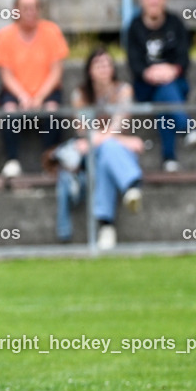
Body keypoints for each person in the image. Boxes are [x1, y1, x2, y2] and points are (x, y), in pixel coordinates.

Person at [50, 48, 144, 250]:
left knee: (106, 156)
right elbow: (83, 129)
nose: (103, 69)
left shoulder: (124, 90)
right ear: (90, 70)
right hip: (98, 152)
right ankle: (131, 185)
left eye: (107, 64)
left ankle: (106, 226)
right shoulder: (80, 94)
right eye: (98, 65)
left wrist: (103, 139)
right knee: (105, 151)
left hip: (115, 153)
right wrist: (125, 141)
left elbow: (118, 123)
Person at [0, 0, 69, 177]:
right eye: (26, 7)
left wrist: (40, 96)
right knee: (9, 109)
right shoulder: (4, 35)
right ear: (16, 10)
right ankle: (12, 161)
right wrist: (23, 96)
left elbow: (56, 70)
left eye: (35, 7)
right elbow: (6, 73)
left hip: (47, 91)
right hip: (16, 92)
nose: (31, 12)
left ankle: (49, 159)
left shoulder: (52, 31)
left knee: (52, 109)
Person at [125, 0, 196, 172]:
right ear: (142, 0)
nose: (154, 0)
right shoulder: (134, 27)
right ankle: (186, 127)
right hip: (145, 85)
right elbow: (134, 63)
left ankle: (169, 158)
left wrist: (171, 70)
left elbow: (184, 58)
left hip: (175, 83)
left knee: (165, 98)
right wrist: (151, 73)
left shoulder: (176, 23)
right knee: (164, 93)